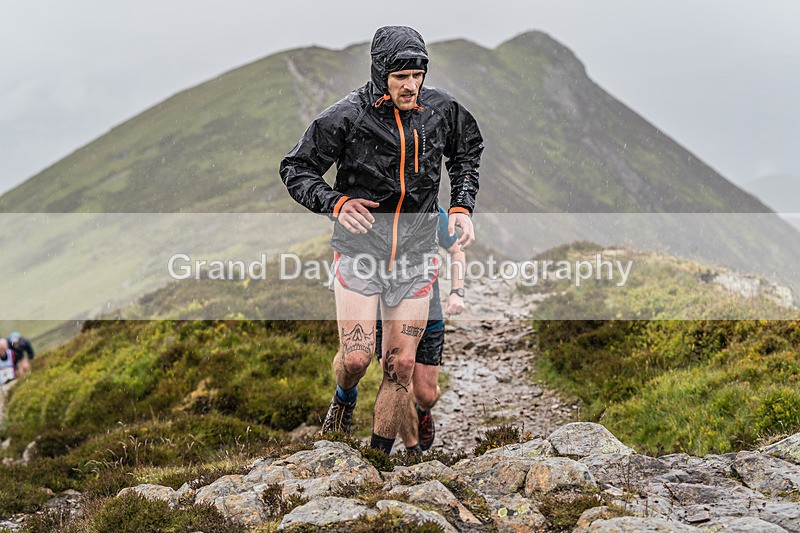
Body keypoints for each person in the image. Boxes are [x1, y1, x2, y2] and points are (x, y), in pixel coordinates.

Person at [280, 26, 483, 456]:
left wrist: (461, 206)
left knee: (402, 367)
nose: (411, 85)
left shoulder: (442, 110)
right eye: (400, 77)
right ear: (380, 74)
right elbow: (296, 169)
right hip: (360, 254)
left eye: (417, 74)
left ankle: (377, 460)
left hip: (415, 256)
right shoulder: (347, 116)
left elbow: (466, 152)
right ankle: (345, 397)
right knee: (355, 359)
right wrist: (335, 203)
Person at [376, 206, 466, 454]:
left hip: (429, 311)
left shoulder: (430, 209)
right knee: (398, 378)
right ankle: (412, 448)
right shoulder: (376, 201)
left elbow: (456, 251)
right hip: (386, 312)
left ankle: (423, 411)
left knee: (425, 394)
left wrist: (457, 292)